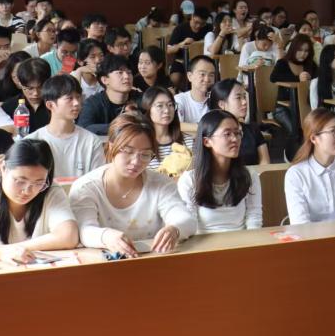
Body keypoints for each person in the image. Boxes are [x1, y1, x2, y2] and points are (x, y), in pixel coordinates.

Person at [69, 113, 197, 257]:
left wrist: (174, 229)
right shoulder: (86, 187)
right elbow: (84, 230)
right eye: (128, 151)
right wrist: (105, 236)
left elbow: (186, 220)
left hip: (152, 260)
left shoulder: (161, 183)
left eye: (145, 154)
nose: (136, 161)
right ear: (111, 146)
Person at [0, 139, 78, 264]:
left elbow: (69, 236)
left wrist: (15, 249)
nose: (27, 191)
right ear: (3, 168)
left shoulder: (51, 191)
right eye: (20, 181)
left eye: (38, 183)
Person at [177, 109, 263, 233]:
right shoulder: (189, 180)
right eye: (227, 134)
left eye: (237, 133)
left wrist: (251, 242)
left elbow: (254, 217)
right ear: (207, 141)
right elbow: (188, 223)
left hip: (242, 240)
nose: (235, 139)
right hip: (204, 242)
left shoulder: (249, 175)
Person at [27, 75, 105, 179]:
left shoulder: (92, 142)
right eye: (69, 98)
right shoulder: (32, 142)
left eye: (78, 97)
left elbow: (97, 181)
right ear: (50, 105)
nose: (76, 103)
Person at [208, 79, 269, 166]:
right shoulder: (213, 134)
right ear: (222, 104)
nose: (244, 102)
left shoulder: (253, 129)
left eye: (244, 97)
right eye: (238, 98)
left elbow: (265, 162)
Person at [76, 54, 138, 136]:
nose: (126, 76)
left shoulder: (139, 99)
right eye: (120, 72)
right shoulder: (92, 104)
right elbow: (83, 128)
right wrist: (119, 126)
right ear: (105, 80)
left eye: (129, 72)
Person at [140, 87, 194, 172]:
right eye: (160, 106)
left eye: (170, 105)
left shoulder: (187, 141)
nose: (166, 110)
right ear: (148, 109)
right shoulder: (140, 143)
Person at [174, 55, 216, 123]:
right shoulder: (180, 99)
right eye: (202, 74)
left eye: (211, 75)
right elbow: (177, 125)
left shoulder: (217, 99)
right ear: (190, 76)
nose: (207, 79)